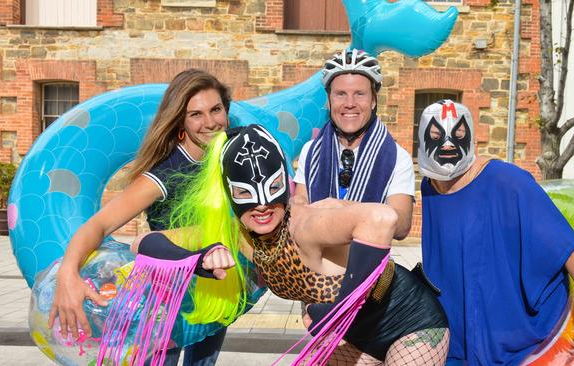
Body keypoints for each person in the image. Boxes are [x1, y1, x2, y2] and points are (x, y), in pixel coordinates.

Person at [135, 124, 450, 365]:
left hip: (410, 322)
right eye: (245, 194)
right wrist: (199, 257)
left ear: (283, 183)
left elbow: (382, 219)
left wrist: (338, 310)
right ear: (228, 194)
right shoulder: (234, 232)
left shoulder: (305, 225)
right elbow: (144, 242)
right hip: (352, 336)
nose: (261, 207)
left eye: (271, 188)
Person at [417, 100, 574, 365]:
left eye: (459, 135)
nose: (447, 144)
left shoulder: (507, 181)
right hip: (458, 343)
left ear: (471, 138)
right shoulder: (430, 187)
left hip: (519, 341)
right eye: (435, 136)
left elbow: (567, 245)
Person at [48, 69, 238, 366]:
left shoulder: (232, 158)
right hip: (167, 300)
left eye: (216, 109)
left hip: (216, 285)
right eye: (196, 115)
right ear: (181, 123)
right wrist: (68, 272)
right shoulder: (165, 173)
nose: (211, 122)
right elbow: (99, 224)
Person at [294, 48, 414, 240]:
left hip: (369, 267)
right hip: (314, 267)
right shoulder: (311, 151)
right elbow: (300, 205)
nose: (350, 103)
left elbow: (401, 226)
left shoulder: (397, 158)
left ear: (373, 100)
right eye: (341, 94)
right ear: (329, 101)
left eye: (359, 94)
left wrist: (343, 210)